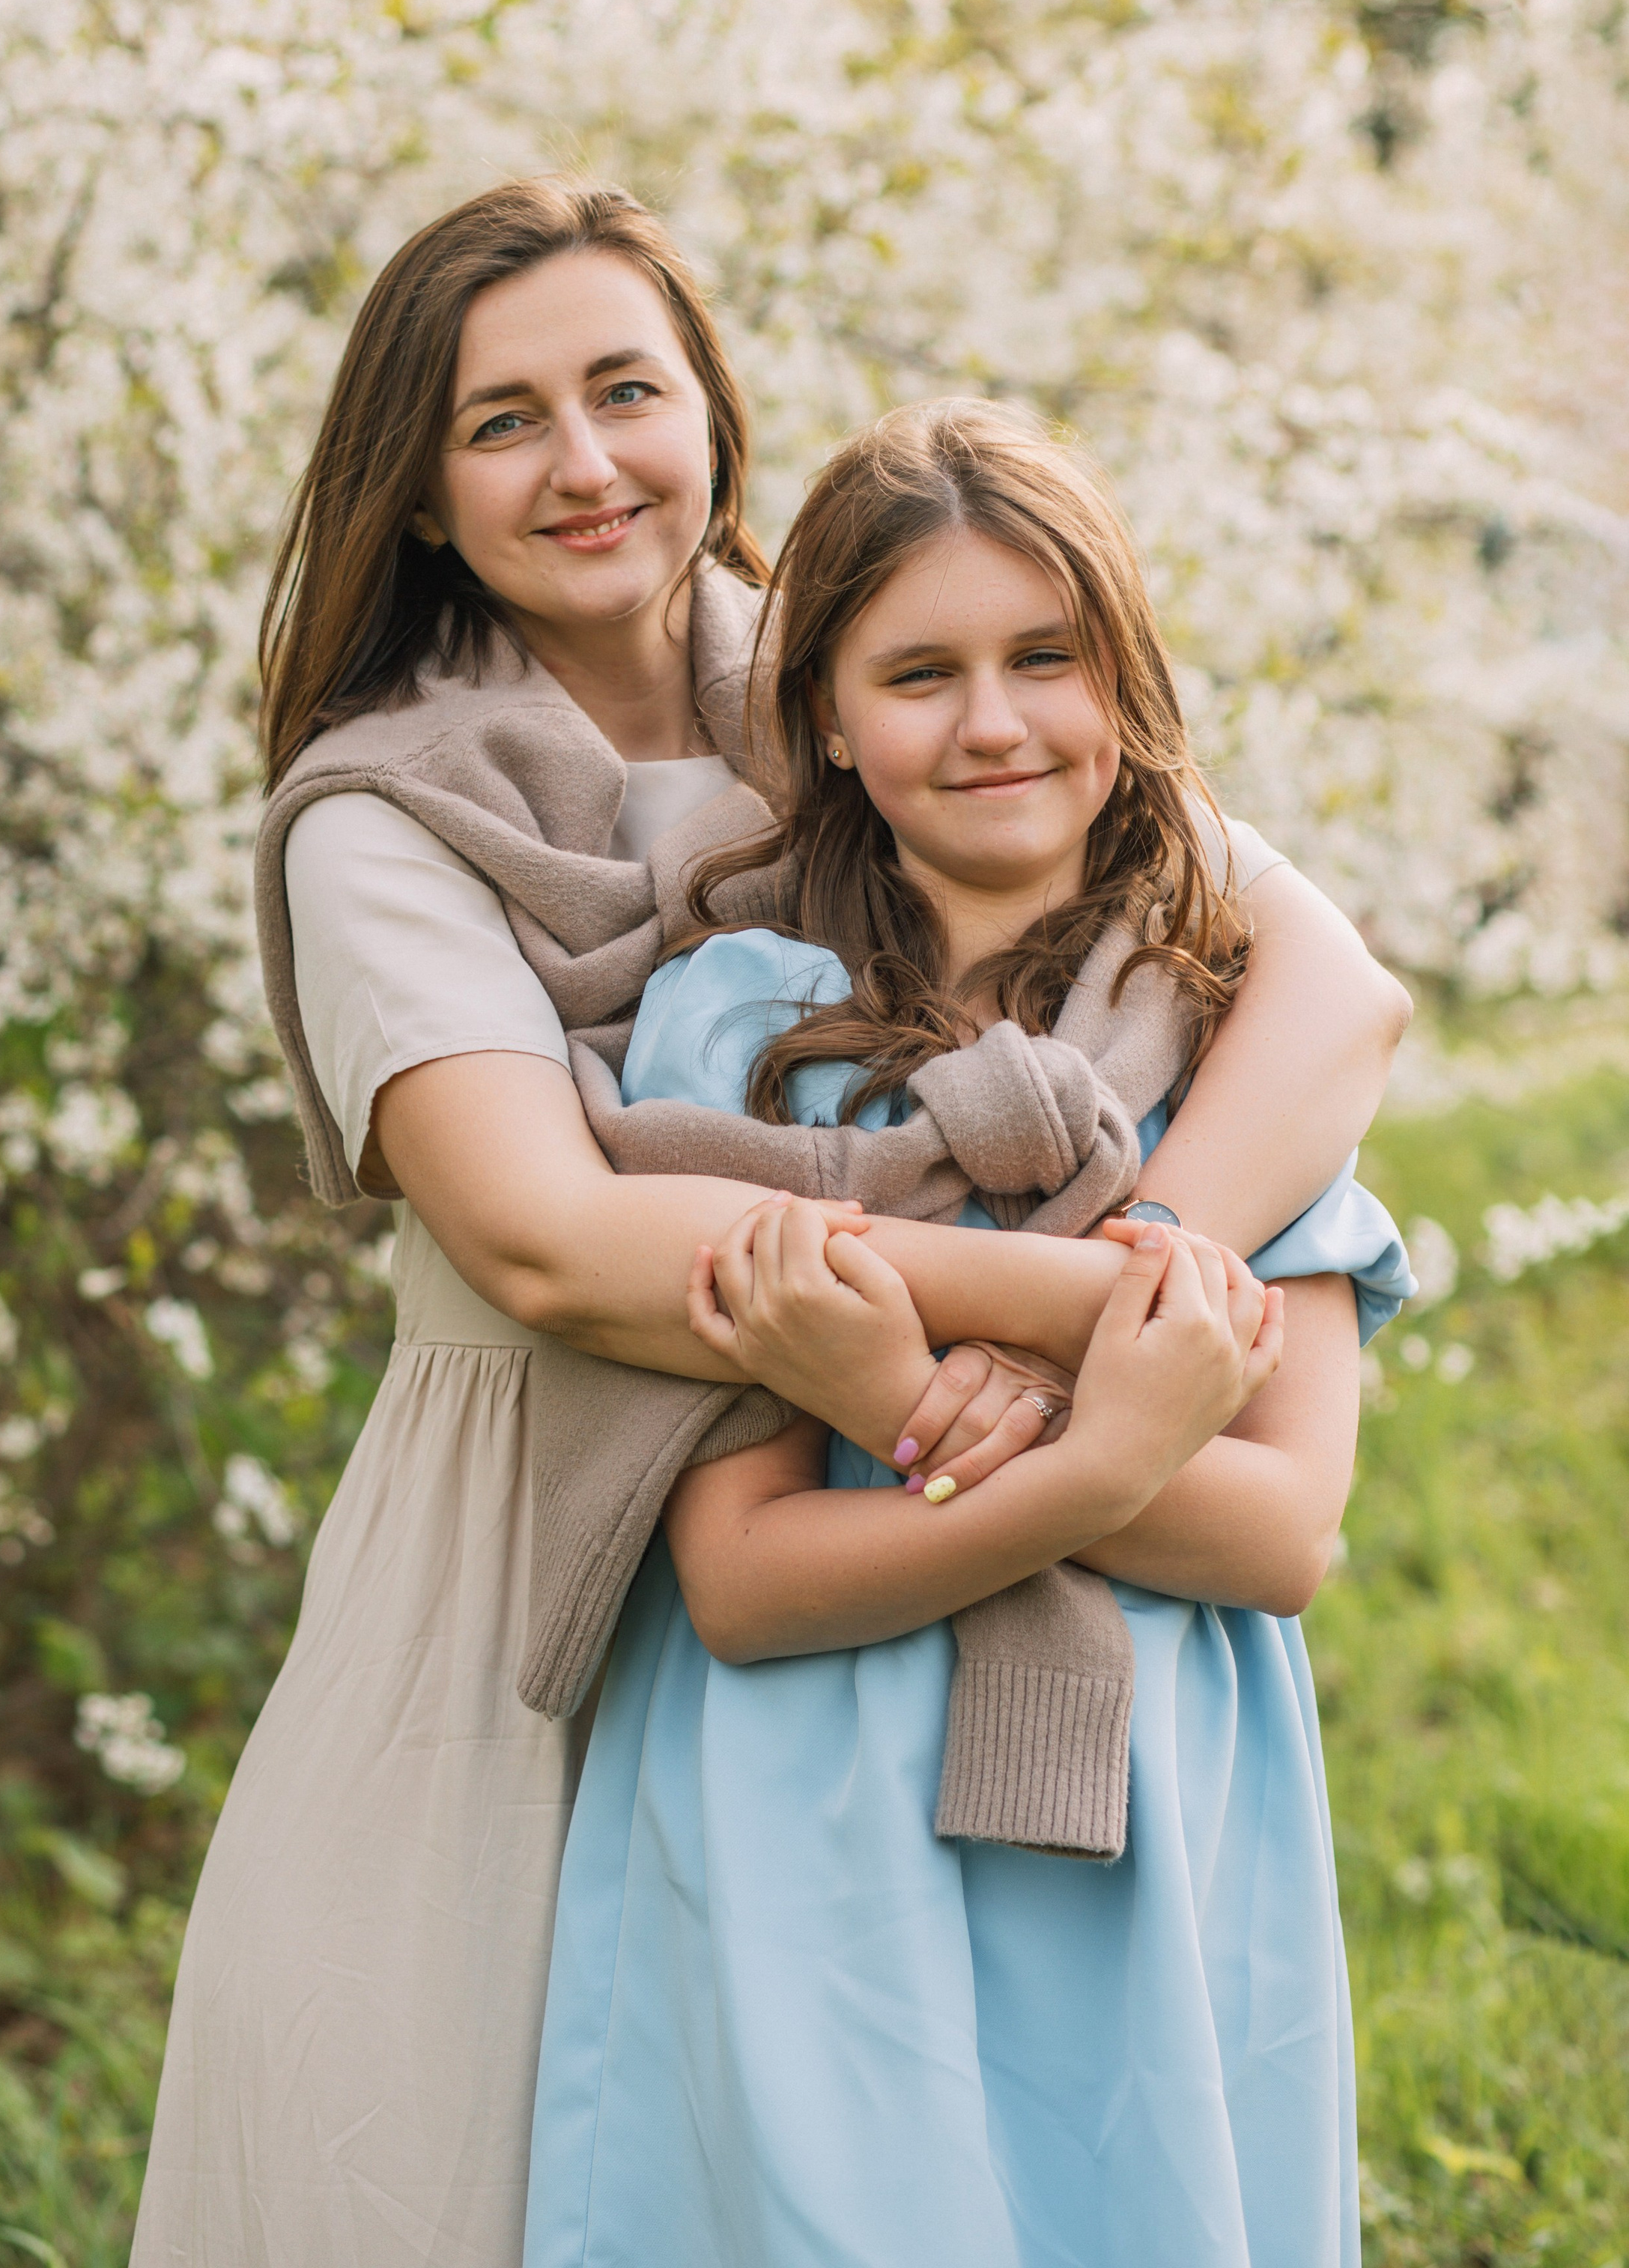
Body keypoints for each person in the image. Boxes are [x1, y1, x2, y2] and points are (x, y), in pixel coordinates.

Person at [131, 181, 1410, 2268]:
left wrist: (1140, 1265)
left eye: (628, 389)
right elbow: (552, 1248)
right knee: (442, 2159)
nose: (587, 462)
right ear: (421, 494)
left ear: (713, 413)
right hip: (543, 1514)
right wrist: (1082, 1325)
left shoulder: (870, 660)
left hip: (869, 1506)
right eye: (502, 420)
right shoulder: (390, 811)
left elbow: (1324, 979)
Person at [524, 398, 1411, 2268]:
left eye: (1042, 658)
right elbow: (749, 1582)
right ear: (827, 721)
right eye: (917, 672)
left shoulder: (1226, 1051)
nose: (991, 721)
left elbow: (1278, 1532)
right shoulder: (737, 1039)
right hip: (807, 1817)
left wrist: (900, 1398)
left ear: (1123, 684)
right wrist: (1059, 1433)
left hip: (1153, 1816)